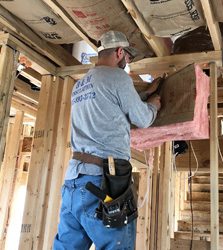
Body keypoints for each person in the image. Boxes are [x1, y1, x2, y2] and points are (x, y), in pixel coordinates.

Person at [53, 30, 161, 250]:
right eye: (128, 57)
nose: (128, 62)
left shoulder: (80, 84)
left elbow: (109, 105)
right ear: (120, 52)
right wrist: (154, 105)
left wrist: (144, 94)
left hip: (74, 181)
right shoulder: (118, 76)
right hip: (103, 183)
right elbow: (142, 118)